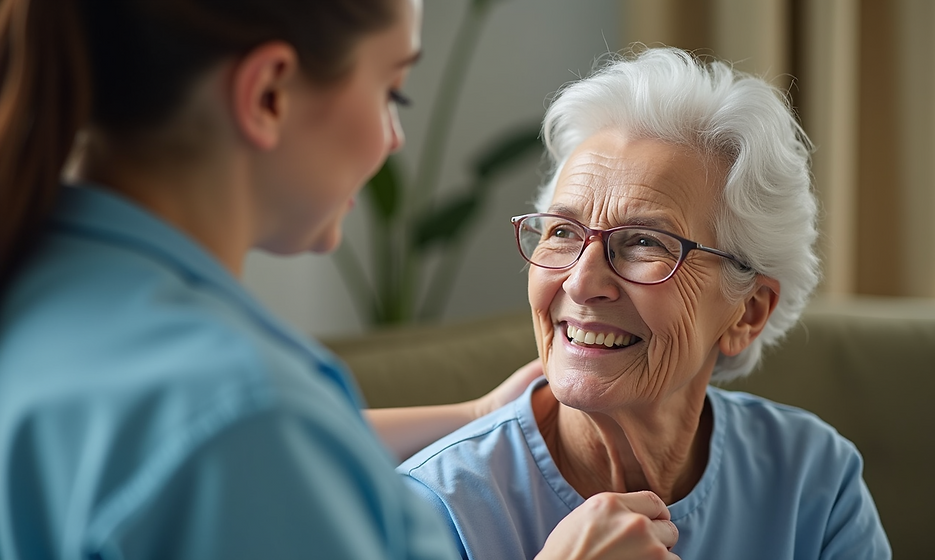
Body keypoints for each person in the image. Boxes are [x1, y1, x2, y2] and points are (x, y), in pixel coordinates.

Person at [0, 1, 681, 559]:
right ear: (268, 94)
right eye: (393, 91)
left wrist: (475, 416)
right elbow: (238, 443)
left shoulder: (48, 293)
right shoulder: (240, 417)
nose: (393, 140)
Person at [398, 46, 893, 559]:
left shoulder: (811, 480)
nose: (580, 282)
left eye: (643, 242)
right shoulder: (436, 510)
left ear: (748, 311)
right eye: (563, 232)